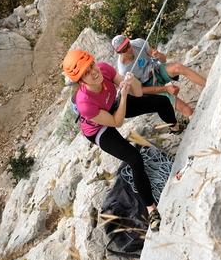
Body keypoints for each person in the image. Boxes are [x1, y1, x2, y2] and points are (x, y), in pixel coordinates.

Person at [62, 48, 182, 232]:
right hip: (98, 129)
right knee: (134, 158)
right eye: (86, 73)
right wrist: (124, 95)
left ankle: (175, 126)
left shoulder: (104, 69)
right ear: (80, 81)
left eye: (91, 65)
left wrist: (131, 81)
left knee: (161, 102)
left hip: (112, 105)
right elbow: (116, 122)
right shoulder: (85, 103)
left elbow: (138, 93)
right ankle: (151, 209)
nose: (93, 72)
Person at [112, 35, 206, 118]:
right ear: (119, 53)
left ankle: (208, 84)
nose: (129, 50)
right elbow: (141, 90)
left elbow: (163, 60)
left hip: (156, 70)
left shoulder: (138, 43)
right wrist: (166, 89)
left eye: (128, 45)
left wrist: (159, 55)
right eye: (124, 50)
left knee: (177, 67)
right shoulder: (124, 71)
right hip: (148, 85)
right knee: (187, 111)